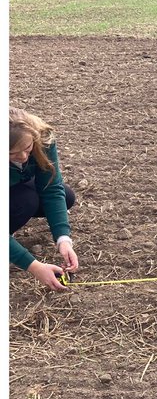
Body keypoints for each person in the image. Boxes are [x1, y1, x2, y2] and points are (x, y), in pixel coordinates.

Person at [10, 107, 79, 292]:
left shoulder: (43, 138)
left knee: (66, 196)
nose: (23, 157)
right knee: (27, 200)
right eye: (13, 154)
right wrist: (34, 266)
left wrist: (63, 239)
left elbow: (51, 188)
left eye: (27, 149)